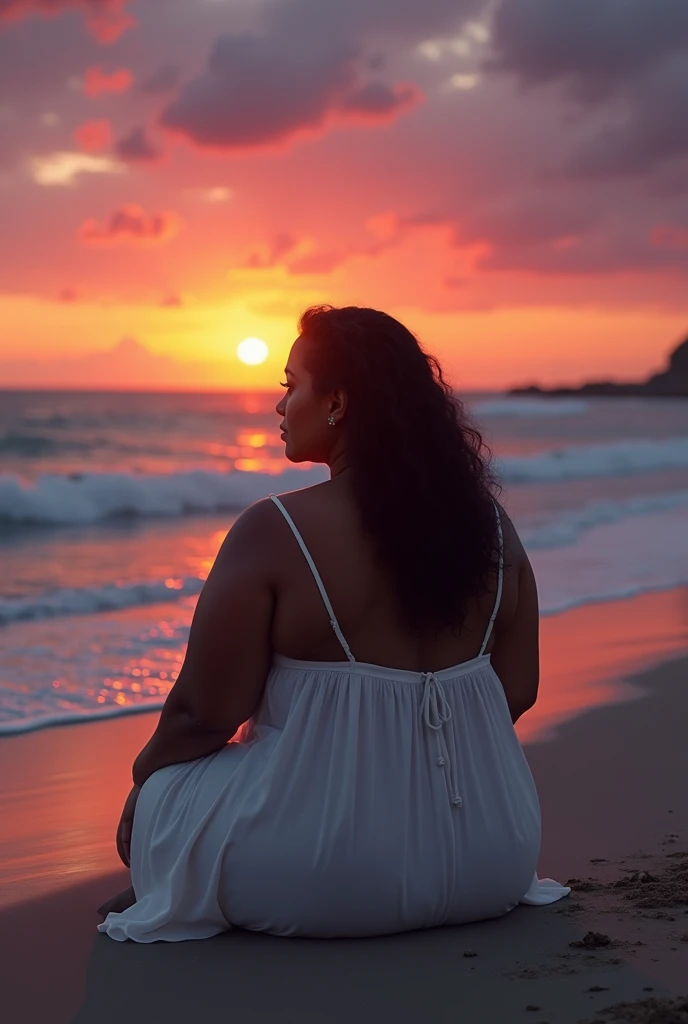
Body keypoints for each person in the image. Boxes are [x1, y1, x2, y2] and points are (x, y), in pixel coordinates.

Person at [98, 305, 569, 942]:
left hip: (324, 878)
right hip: (494, 856)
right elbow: (517, 690)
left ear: (338, 402)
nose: (280, 405)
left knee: (167, 787)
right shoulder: (490, 529)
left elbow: (202, 715)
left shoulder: (274, 529)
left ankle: (184, 873)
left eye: (291, 385)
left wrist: (144, 784)